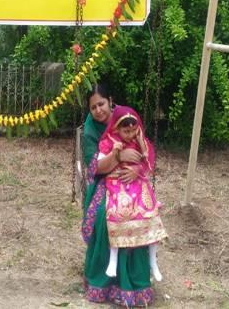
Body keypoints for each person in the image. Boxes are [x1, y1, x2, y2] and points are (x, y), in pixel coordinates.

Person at [81, 84, 155, 306]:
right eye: (93, 107)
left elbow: (146, 151)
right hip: (104, 181)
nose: (98, 110)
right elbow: (95, 168)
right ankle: (105, 281)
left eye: (101, 104)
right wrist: (120, 156)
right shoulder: (90, 130)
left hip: (133, 179)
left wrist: (137, 169)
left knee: (140, 211)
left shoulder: (126, 116)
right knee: (107, 213)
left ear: (110, 101)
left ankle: (135, 281)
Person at [98, 106, 167, 280]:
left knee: (150, 212)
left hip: (137, 183)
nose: (129, 134)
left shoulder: (138, 140)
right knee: (117, 212)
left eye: (132, 130)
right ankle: (113, 260)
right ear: (116, 128)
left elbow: (147, 161)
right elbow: (99, 164)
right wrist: (117, 153)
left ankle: (153, 261)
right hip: (117, 183)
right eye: (125, 131)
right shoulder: (110, 141)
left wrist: (141, 144)